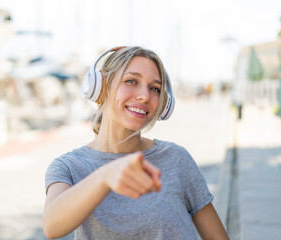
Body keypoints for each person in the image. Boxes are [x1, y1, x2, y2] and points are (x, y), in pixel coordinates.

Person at [42, 46, 229, 240]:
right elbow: (52, 226)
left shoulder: (177, 158)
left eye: (155, 88)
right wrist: (106, 175)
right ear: (101, 86)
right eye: (131, 81)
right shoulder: (68, 167)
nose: (144, 96)